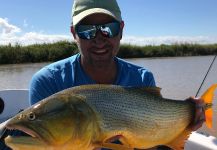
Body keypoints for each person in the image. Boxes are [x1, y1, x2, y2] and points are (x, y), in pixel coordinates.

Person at [0, 0, 205, 149]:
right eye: (87, 31)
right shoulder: (48, 81)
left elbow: (149, 142)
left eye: (108, 28)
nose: (99, 39)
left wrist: (188, 118)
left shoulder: (142, 78)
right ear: (74, 34)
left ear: (121, 30)